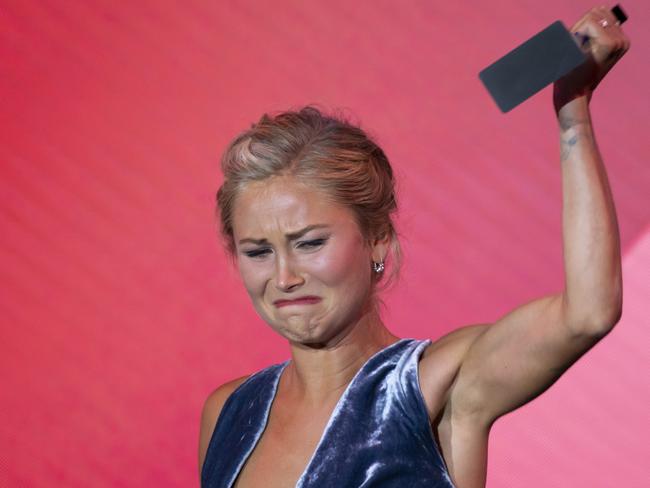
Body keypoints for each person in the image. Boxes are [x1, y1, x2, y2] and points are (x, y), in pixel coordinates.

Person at [199, 6, 630, 487]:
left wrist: (573, 116)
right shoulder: (228, 413)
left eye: (310, 243)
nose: (283, 277)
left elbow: (588, 313)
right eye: (258, 251)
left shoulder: (437, 382)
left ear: (377, 239)